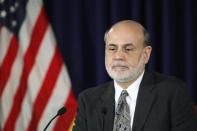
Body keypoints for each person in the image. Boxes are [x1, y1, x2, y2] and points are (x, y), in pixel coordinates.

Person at [72, 20, 197, 131]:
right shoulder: (88, 100)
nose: (118, 56)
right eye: (112, 48)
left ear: (146, 54)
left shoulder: (173, 93)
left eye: (128, 49)